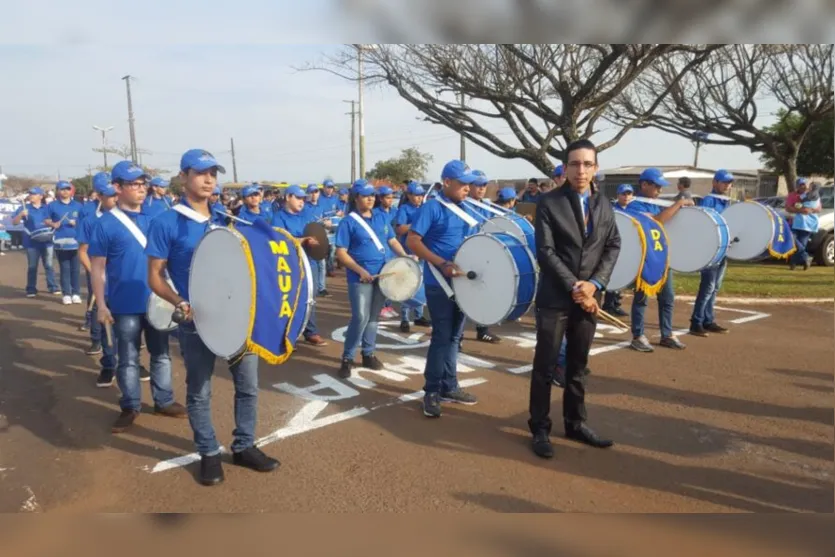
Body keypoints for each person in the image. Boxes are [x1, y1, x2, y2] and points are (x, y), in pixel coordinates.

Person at [146, 149, 280, 486]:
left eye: (213, 174)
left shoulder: (227, 218)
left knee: (248, 385)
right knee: (200, 390)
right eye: (201, 173)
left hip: (237, 316)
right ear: (183, 177)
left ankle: (244, 446)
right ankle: (208, 452)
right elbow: (155, 277)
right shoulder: (166, 221)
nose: (209, 180)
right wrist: (179, 301)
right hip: (196, 319)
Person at [527, 139, 621, 459]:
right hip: (556, 297)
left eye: (587, 164)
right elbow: (546, 251)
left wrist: (595, 284)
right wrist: (575, 286)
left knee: (578, 365)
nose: (581, 170)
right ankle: (540, 427)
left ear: (595, 168)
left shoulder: (603, 204)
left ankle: (575, 423)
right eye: (574, 164)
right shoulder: (548, 203)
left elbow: (613, 246)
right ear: (565, 168)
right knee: (545, 364)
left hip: (588, 299)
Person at [89, 161, 187, 433]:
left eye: (143, 183)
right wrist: (101, 305)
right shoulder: (105, 224)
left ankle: (163, 400)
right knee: (129, 358)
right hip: (123, 304)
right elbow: (97, 268)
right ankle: (130, 405)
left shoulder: (155, 219)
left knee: (162, 355)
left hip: (157, 300)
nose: (141, 189)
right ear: (117, 188)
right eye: (134, 184)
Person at [406, 160, 483, 418]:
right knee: (441, 336)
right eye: (462, 184)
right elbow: (413, 240)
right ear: (447, 182)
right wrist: (441, 263)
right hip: (439, 284)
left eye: (469, 184)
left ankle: (450, 386)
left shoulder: (467, 208)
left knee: (454, 337)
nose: (467, 189)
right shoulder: (432, 207)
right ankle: (431, 390)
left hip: (461, 281)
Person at [335, 182, 411, 378]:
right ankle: (347, 357)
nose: (370, 198)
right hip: (359, 277)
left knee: (374, 317)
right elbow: (341, 253)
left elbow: (392, 240)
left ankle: (368, 354)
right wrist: (360, 270)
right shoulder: (348, 222)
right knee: (360, 317)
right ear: (356, 198)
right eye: (365, 195)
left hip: (383, 274)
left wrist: (404, 257)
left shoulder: (382, 216)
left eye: (372, 195)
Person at [625, 168, 693, 353]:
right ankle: (638, 336)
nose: (659, 191)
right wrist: (678, 204)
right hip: (644, 260)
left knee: (667, 297)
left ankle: (667, 334)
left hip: (662, 257)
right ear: (644, 184)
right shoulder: (635, 206)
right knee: (641, 298)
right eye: (656, 186)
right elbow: (657, 221)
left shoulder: (656, 203)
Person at [271, 184, 328, 347]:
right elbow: (279, 241)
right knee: (290, 297)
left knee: (310, 296)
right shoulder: (278, 217)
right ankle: (288, 335)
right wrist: (302, 240)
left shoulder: (307, 215)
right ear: (288, 197)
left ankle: (310, 332)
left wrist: (317, 241)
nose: (302, 202)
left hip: (310, 261)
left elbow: (316, 233)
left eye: (303, 198)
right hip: (290, 263)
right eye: (298, 198)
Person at [77, 172, 120, 386]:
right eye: (110, 195)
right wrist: (97, 274)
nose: (115, 198)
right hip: (101, 277)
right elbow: (83, 251)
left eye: (116, 194)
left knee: (130, 324)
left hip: (123, 278)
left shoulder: (130, 215)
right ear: (99, 196)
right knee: (104, 320)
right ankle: (108, 364)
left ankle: (130, 363)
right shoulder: (90, 218)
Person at [690, 170, 735, 336]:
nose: (727, 185)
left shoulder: (727, 202)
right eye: (724, 182)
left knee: (714, 287)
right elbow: (703, 223)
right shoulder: (709, 200)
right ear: (715, 182)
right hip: (710, 250)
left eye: (729, 183)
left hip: (723, 249)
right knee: (708, 286)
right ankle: (696, 322)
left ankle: (708, 320)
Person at [465, 169, 501, 344]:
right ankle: (457, 338)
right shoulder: (462, 205)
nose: (481, 189)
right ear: (469, 186)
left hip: (483, 255)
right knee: (462, 296)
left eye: (484, 185)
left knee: (482, 293)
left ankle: (482, 330)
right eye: (477, 185)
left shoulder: (487, 207)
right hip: (465, 255)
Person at [11, 187, 60, 297]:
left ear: (41, 196)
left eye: (34, 194)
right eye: (30, 194)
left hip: (47, 241)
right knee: (32, 266)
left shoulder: (47, 208)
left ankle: (52, 286)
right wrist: (20, 215)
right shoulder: (24, 208)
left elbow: (55, 221)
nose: (31, 195)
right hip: (31, 242)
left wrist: (53, 224)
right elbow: (14, 222)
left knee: (49, 265)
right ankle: (31, 288)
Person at [394, 181, 429, 333]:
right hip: (408, 252)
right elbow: (400, 229)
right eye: (416, 195)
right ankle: (404, 318)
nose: (419, 198)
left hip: (422, 251)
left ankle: (419, 315)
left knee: (420, 284)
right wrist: (416, 223)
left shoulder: (425, 208)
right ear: (409, 196)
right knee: (407, 286)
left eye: (421, 195)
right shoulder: (404, 209)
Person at [46, 180, 84, 305]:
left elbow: (85, 222)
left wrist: (77, 223)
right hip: (60, 240)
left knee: (75, 269)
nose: (65, 191)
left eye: (68, 189)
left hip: (76, 240)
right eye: (62, 189)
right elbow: (45, 220)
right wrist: (53, 223)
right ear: (58, 191)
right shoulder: (52, 205)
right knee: (65, 268)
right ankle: (66, 294)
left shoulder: (78, 205)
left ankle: (76, 293)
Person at [602, 184, 634, 317]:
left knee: (621, 275)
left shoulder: (633, 209)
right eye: (623, 194)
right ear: (618, 195)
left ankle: (615, 304)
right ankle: (609, 305)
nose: (626, 196)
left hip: (627, 247)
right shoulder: (613, 209)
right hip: (613, 246)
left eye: (628, 194)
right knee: (613, 275)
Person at [786, 178, 822, 271]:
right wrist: (800, 210)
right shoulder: (792, 195)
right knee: (793, 241)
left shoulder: (813, 195)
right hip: (793, 223)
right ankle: (806, 257)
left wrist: (810, 210)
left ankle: (793, 263)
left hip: (807, 224)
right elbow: (788, 208)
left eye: (804, 184)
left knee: (801, 245)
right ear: (797, 186)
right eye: (801, 184)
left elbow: (818, 209)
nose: (803, 186)